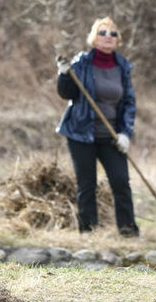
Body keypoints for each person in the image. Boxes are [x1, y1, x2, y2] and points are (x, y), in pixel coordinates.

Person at [56, 16, 139, 237]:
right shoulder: (81, 63)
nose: (108, 37)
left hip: (111, 136)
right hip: (81, 133)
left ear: (117, 40)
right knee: (87, 184)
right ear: (94, 38)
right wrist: (64, 74)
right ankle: (89, 232)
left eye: (113, 33)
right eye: (102, 33)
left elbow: (129, 103)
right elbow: (67, 93)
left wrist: (125, 133)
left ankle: (128, 231)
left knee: (121, 181)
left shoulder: (122, 67)